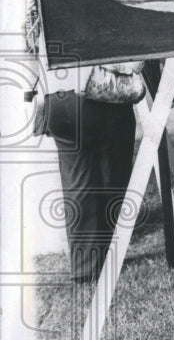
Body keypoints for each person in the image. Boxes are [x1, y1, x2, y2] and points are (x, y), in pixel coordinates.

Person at [36, 62, 140, 283]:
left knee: (76, 183)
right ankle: (109, 256)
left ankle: (84, 268)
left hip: (57, 98)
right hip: (101, 96)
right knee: (113, 175)